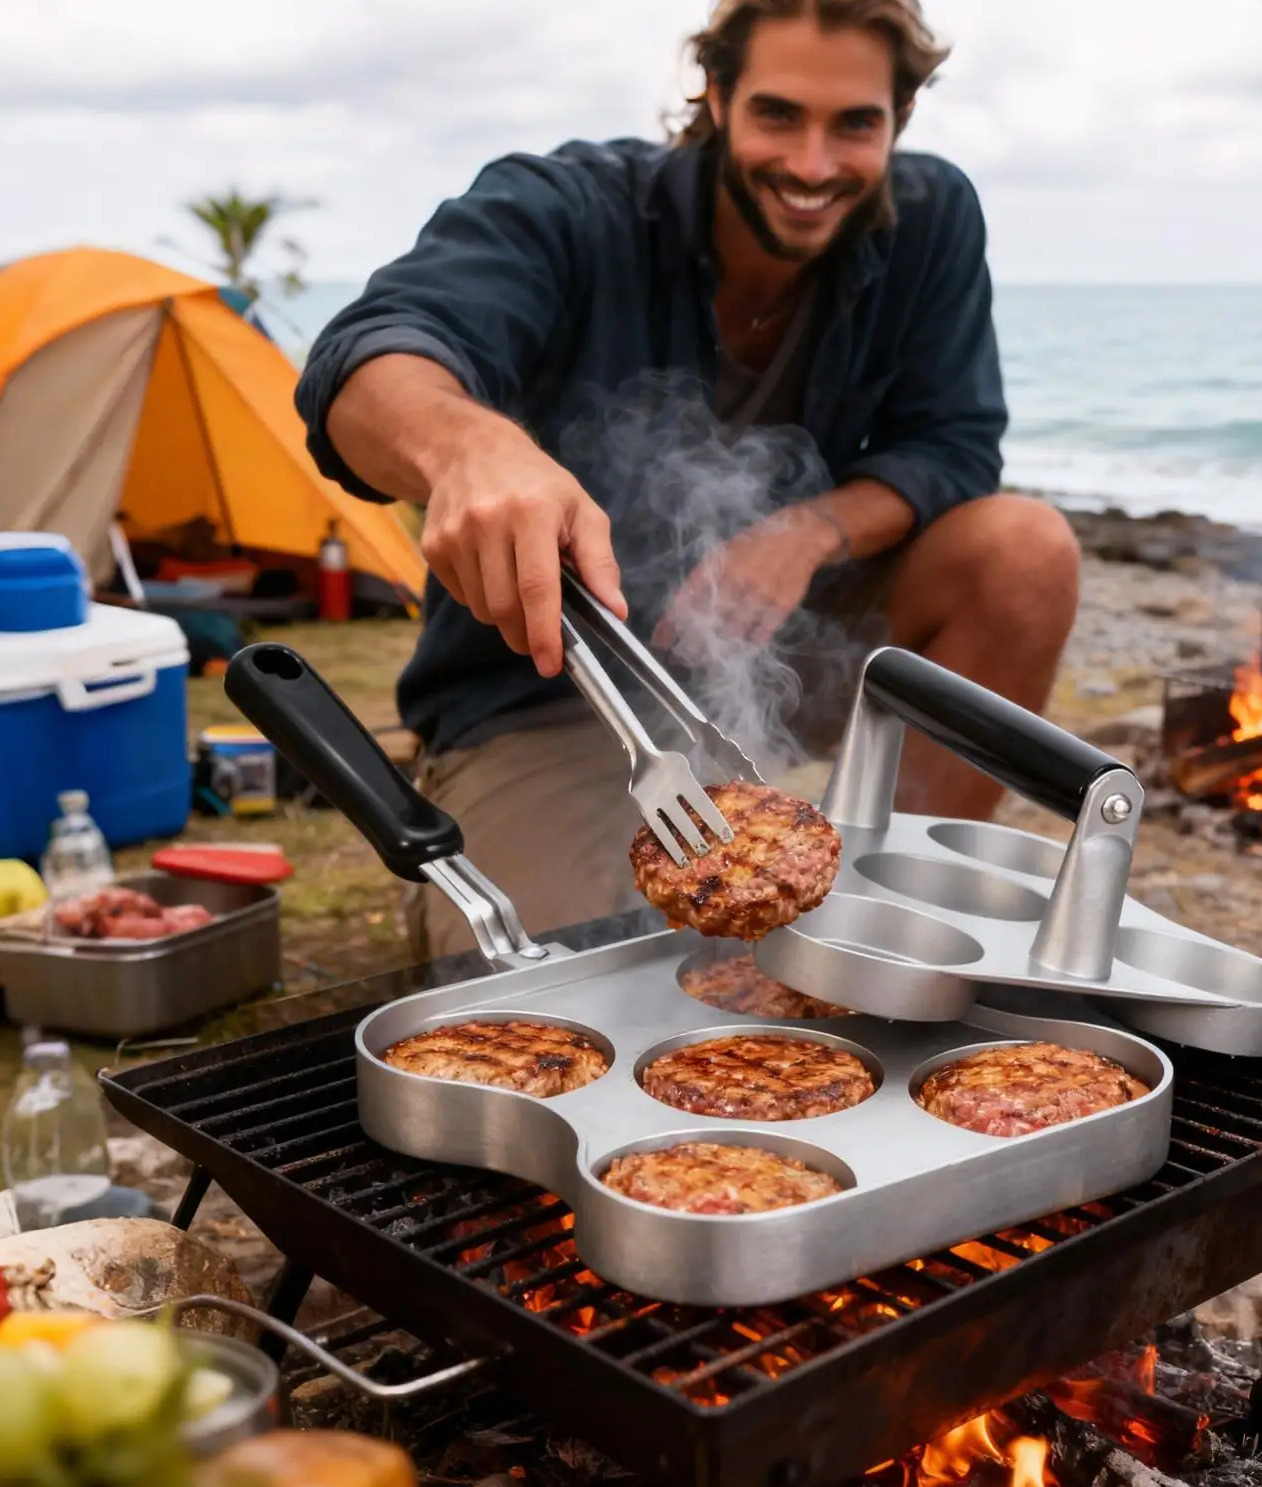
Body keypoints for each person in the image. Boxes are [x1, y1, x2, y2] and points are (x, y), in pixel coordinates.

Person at [297, 0, 1081, 959]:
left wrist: (806, 533)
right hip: (546, 694)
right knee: (572, 981)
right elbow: (363, 363)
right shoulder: (563, 209)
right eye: (778, 114)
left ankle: (893, 901)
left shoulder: (930, 219)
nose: (812, 164)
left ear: (901, 119)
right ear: (714, 95)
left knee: (1023, 549)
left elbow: (954, 445)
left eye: (854, 124)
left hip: (783, 655)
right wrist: (469, 449)